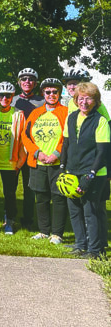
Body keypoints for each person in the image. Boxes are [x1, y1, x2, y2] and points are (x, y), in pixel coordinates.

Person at [60, 82, 110, 259]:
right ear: (76, 100)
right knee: (74, 211)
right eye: (81, 98)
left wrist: (90, 176)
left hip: (93, 172)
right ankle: (80, 245)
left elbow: (102, 152)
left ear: (95, 101)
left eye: (89, 98)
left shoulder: (100, 120)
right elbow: (66, 144)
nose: (84, 102)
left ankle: (95, 250)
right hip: (72, 170)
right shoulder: (71, 117)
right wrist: (62, 167)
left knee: (91, 211)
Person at [21, 78, 68, 244]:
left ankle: (57, 234)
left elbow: (69, 136)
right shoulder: (35, 112)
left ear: (59, 93)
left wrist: (57, 153)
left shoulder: (66, 112)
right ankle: (43, 231)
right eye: (48, 92)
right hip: (38, 163)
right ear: (43, 93)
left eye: (55, 92)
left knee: (58, 198)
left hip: (57, 163)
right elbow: (25, 136)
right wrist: (36, 152)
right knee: (41, 198)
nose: (51, 95)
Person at [0, 82, 26, 235]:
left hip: (10, 161)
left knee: (9, 194)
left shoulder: (18, 114)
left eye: (8, 96)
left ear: (12, 97)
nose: (4, 98)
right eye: (1, 95)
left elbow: (22, 140)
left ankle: (9, 222)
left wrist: (20, 162)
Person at [12, 68, 44, 230]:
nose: (27, 81)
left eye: (31, 79)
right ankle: (9, 217)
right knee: (10, 185)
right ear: (19, 82)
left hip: (31, 149)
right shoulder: (12, 100)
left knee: (29, 187)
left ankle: (28, 219)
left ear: (35, 83)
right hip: (14, 149)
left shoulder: (42, 101)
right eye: (23, 79)